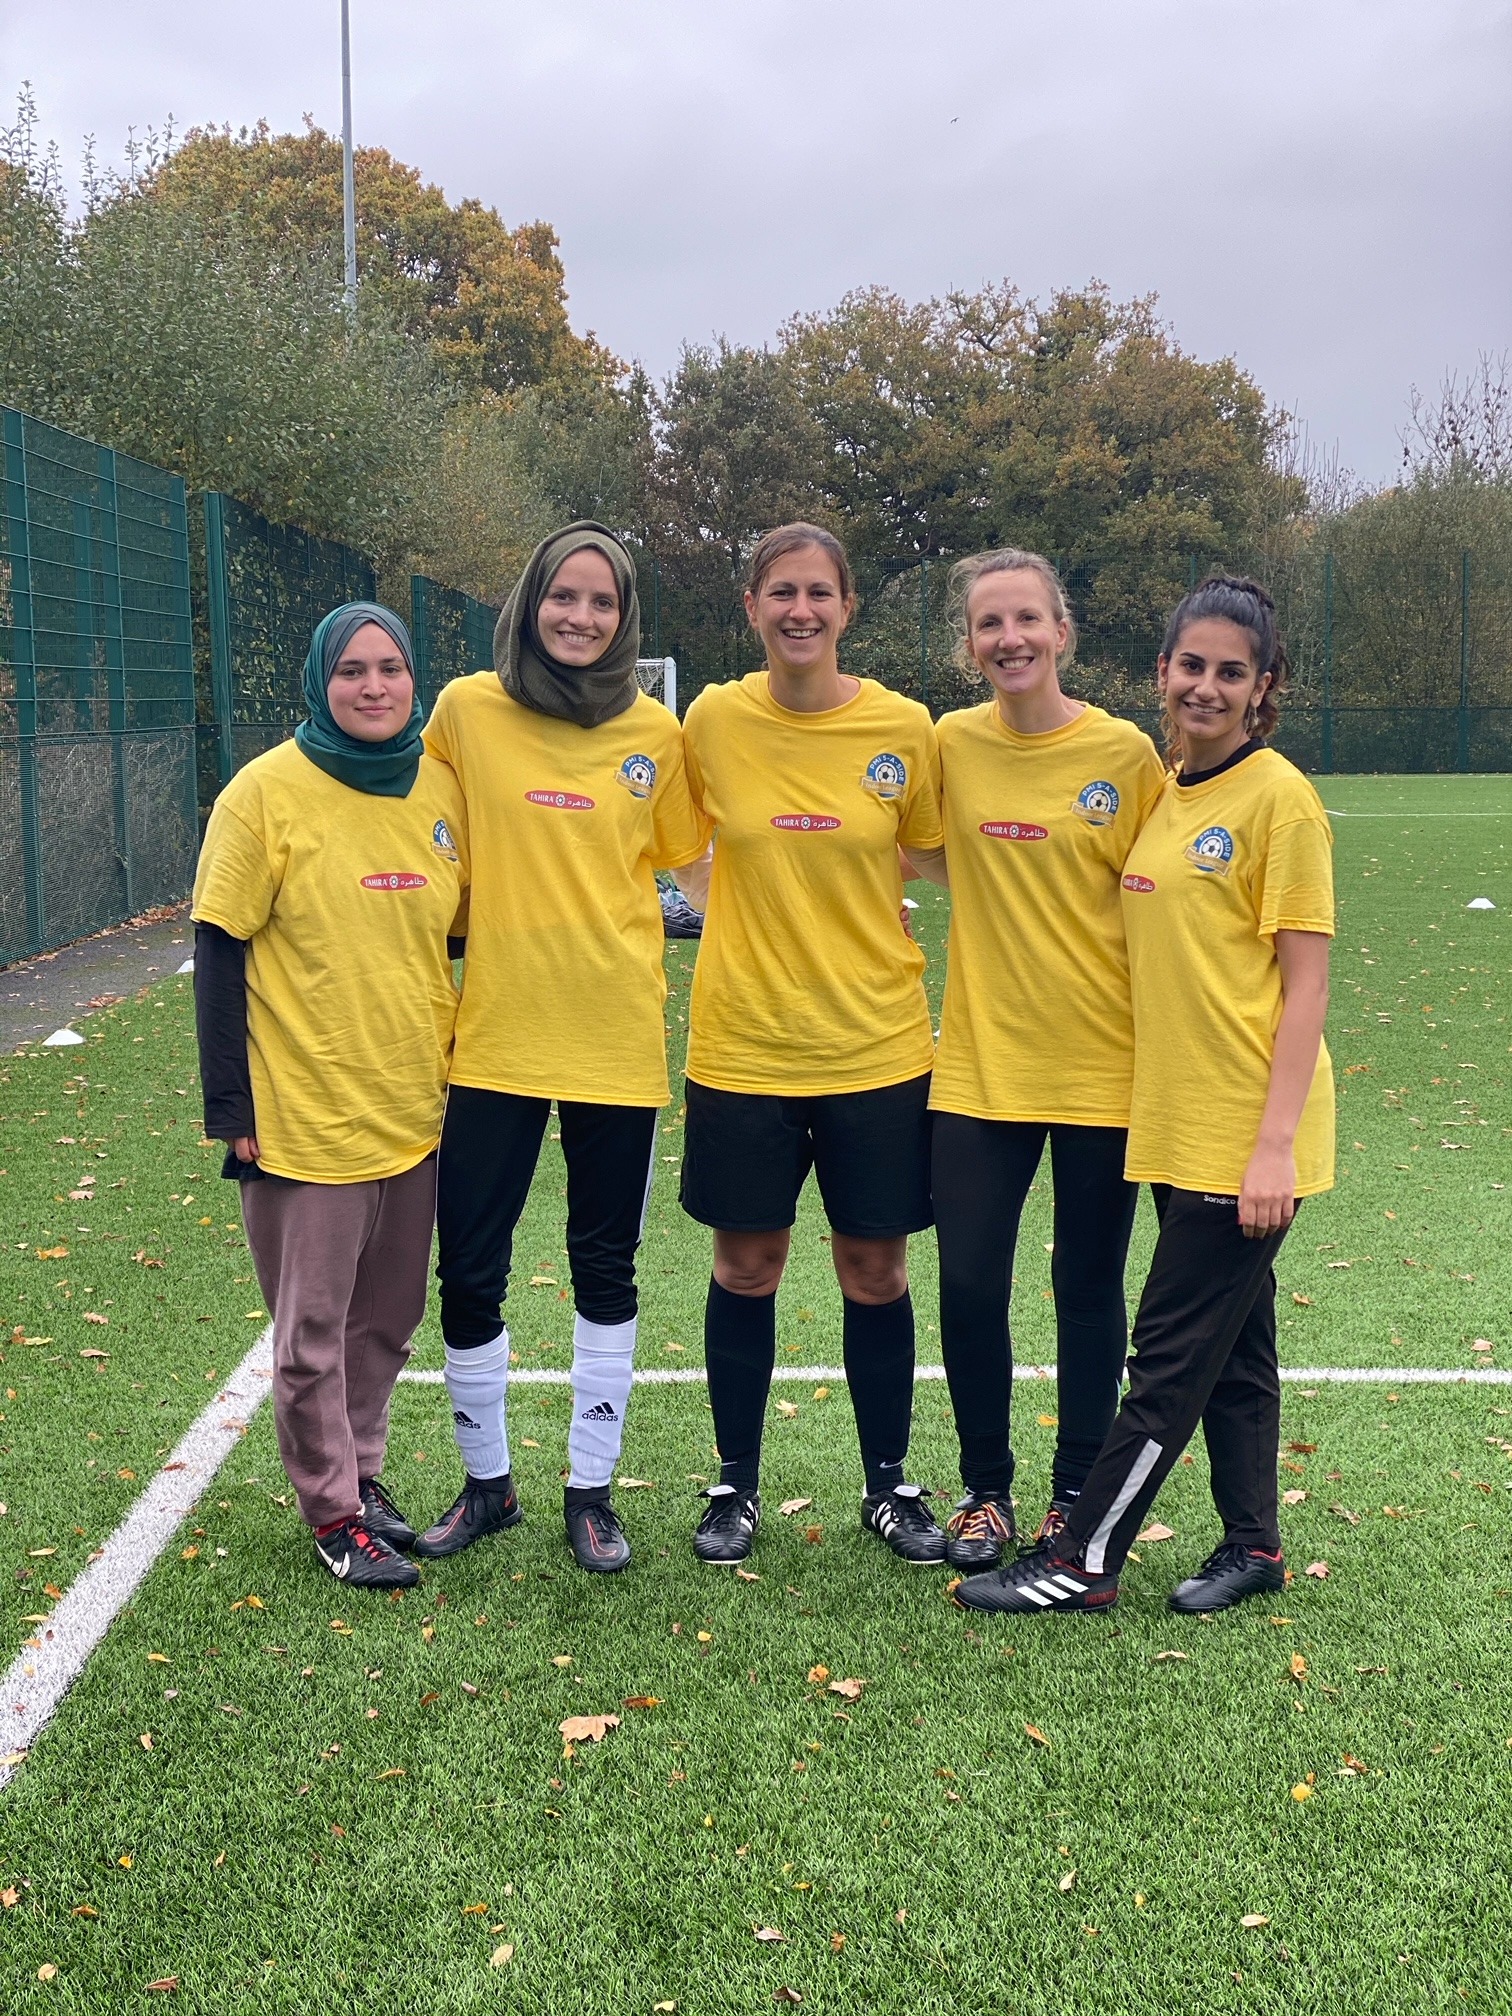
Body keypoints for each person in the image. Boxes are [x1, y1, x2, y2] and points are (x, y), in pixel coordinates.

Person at [955, 575, 1334, 1615]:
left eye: (1232, 673)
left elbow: (1307, 986)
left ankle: (1083, 1559)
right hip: (1176, 1120)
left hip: (1244, 1132)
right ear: (1162, 671)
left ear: (1264, 688)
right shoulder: (1169, 789)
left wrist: (1274, 1148)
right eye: (1192, 666)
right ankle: (1254, 1546)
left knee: (1165, 1362)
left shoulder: (1279, 800)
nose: (1207, 687)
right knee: (1237, 1348)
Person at [412, 523, 707, 1573]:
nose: (580, 617)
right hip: (493, 1036)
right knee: (470, 1269)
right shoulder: (465, 711)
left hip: (614, 1037)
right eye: (563, 596)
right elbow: (422, 841)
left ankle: (591, 1492)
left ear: (625, 620)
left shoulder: (656, 733)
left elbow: (695, 866)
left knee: (604, 1268)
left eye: (602, 602)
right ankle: (487, 1486)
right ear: (530, 601)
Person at [677, 523, 948, 1567]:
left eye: (819, 593)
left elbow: (928, 851)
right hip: (743, 1044)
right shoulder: (712, 718)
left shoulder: (904, 727)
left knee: (874, 1269)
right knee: (747, 1266)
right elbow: (683, 845)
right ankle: (735, 1484)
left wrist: (860, 900)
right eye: (781, 593)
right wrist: (739, 909)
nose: (801, 611)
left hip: (876, 1046)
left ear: (846, 607)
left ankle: (888, 1484)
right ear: (753, 607)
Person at [193, 602, 468, 1590]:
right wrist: (233, 1111)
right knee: (311, 1335)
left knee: (386, 1321)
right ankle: (334, 1511)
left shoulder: (436, 786)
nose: (373, 686)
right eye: (352, 670)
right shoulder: (263, 794)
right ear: (320, 681)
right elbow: (218, 952)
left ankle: (362, 1473)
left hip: (413, 1110)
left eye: (390, 667)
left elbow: (458, 932)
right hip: (302, 1117)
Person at [923, 551, 1165, 1570]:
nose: (1009, 637)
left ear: (1062, 632)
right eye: (990, 623)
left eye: (1027, 618)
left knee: (1088, 1286)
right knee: (971, 1282)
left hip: (1104, 1066)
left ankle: (1074, 1496)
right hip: (982, 1067)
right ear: (970, 644)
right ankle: (986, 1493)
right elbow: (912, 844)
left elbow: (1164, 895)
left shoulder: (1124, 753)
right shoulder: (948, 743)